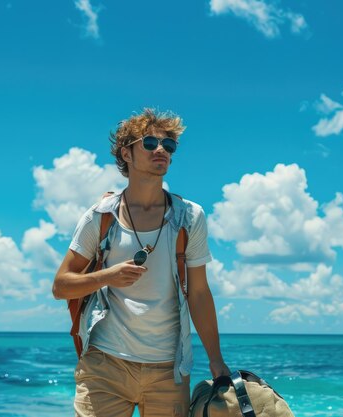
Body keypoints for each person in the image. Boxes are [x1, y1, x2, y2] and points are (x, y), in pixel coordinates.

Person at [52, 108, 230, 417]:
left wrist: (216, 360)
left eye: (168, 145)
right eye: (149, 143)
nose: (161, 150)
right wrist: (107, 276)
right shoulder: (101, 216)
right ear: (127, 153)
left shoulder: (190, 217)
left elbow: (199, 293)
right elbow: (61, 286)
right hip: (105, 365)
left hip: (168, 369)